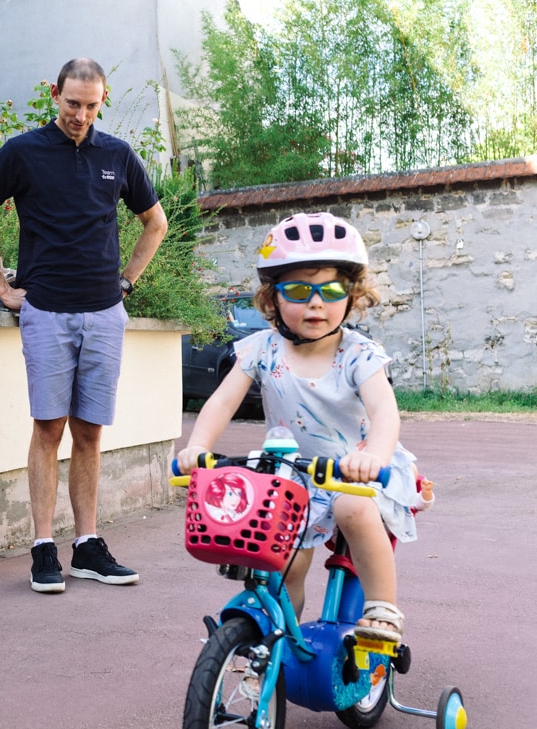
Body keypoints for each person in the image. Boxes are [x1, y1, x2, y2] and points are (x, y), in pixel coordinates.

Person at [0, 57, 168, 594]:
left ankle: (89, 547)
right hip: (45, 311)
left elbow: (155, 222)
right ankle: (44, 548)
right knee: (49, 428)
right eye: (73, 103)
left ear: (103, 100)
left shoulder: (117, 154)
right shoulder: (23, 151)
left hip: (103, 313)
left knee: (90, 432)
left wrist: (126, 283)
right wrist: (3, 290)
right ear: (55, 94)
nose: (80, 115)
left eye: (91, 106)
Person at [176, 212, 422, 644]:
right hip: (295, 475)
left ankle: (382, 605)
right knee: (283, 555)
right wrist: (196, 446)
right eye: (298, 290)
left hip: (355, 471)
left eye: (331, 290)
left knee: (351, 507)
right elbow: (221, 402)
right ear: (272, 300)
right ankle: (274, 643)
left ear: (353, 295)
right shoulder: (260, 348)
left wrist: (373, 458)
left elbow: (386, 413)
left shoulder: (358, 354)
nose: (316, 302)